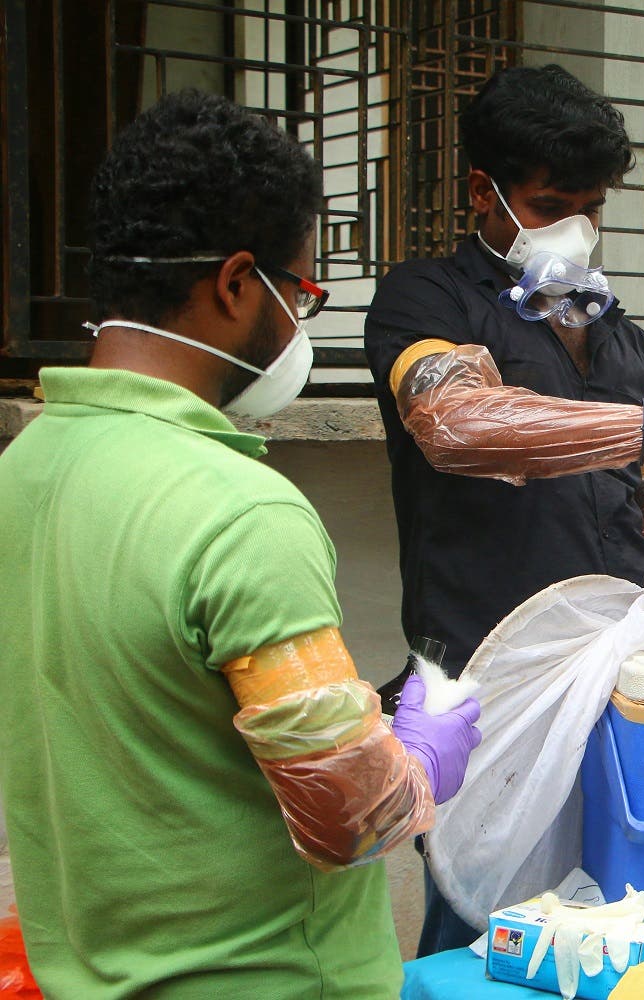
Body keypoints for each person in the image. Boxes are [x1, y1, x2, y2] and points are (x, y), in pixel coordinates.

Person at [0, 91, 482, 997]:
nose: (301, 322)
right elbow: (350, 816)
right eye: (300, 291)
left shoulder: (24, 470)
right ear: (234, 284)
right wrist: (421, 752)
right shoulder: (237, 512)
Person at [364, 63, 644, 954]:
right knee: (478, 921)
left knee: (611, 919)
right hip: (482, 685)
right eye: (551, 200)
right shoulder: (426, 300)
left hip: (614, 682)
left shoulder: (620, 333)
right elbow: (458, 423)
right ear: (482, 193)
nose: (577, 225)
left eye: (593, 205)